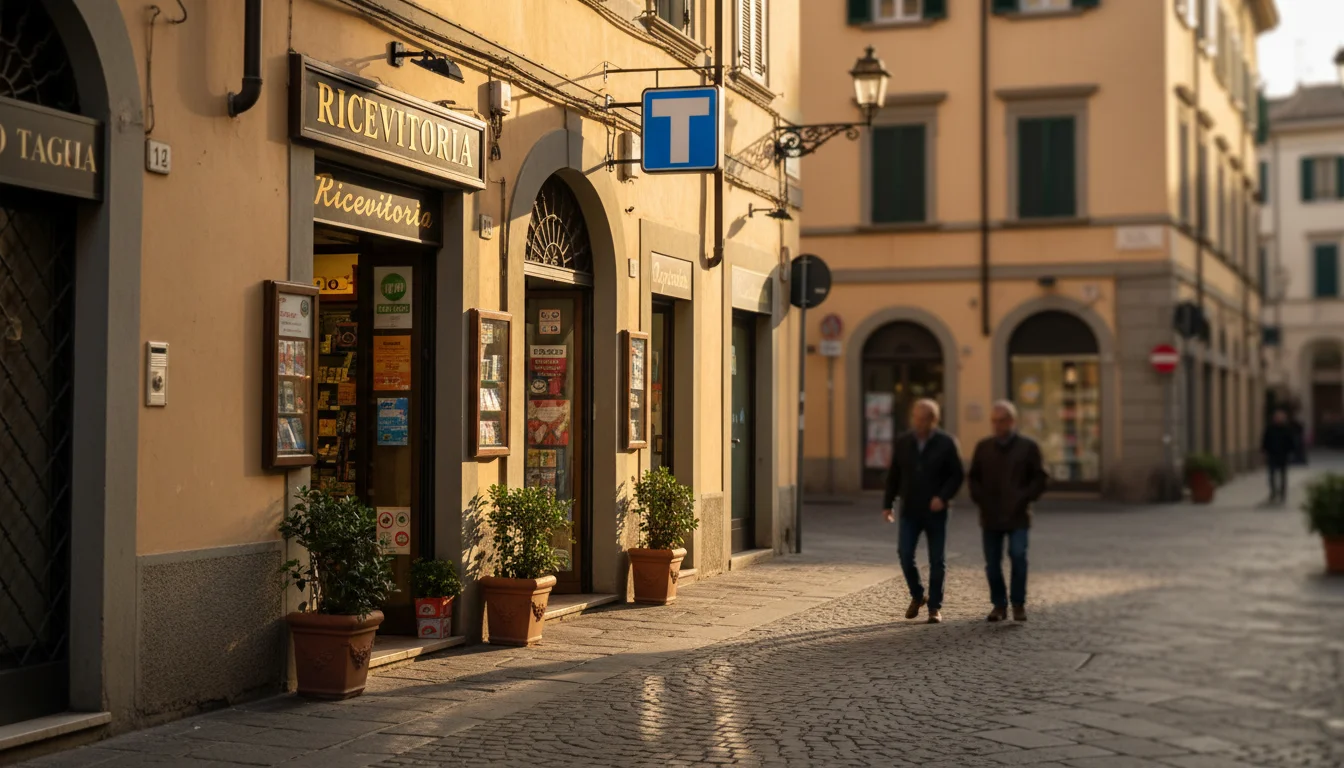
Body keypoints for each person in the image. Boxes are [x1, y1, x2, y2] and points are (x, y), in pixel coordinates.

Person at [882, 399, 964, 624]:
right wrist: (887, 503)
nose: (919, 422)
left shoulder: (946, 443)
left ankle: (934, 607)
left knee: (937, 560)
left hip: (936, 511)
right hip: (910, 508)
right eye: (916, 418)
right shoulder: (903, 441)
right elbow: (894, 475)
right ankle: (918, 596)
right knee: (905, 554)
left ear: (933, 420)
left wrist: (943, 497)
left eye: (924, 418)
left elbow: (957, 475)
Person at [968, 401, 1049, 623]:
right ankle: (999, 605)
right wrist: (979, 498)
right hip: (990, 514)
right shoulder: (984, 447)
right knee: (992, 563)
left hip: (1018, 515)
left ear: (1012, 421)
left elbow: (1040, 477)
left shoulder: (1028, 447)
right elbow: (974, 477)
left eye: (1000, 420)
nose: (996, 425)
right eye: (993, 421)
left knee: (1018, 556)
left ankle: (1018, 603)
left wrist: (1025, 497)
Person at [1262, 408, 1296, 503]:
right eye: (1277, 417)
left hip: (1283, 455)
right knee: (1271, 475)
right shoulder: (1270, 428)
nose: (1278, 419)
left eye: (1280, 418)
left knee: (1283, 475)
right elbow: (1265, 440)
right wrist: (1264, 451)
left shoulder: (1286, 429)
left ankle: (1282, 494)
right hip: (1272, 454)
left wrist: (1291, 452)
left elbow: (1291, 442)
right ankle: (1273, 493)